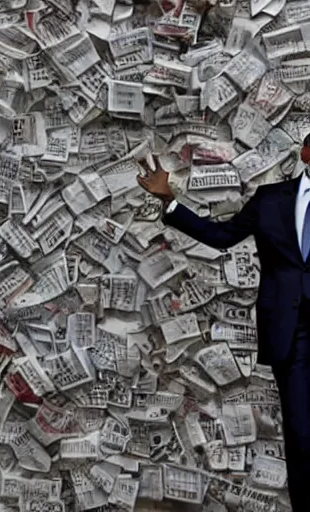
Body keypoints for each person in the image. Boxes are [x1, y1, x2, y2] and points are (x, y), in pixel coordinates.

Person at [137, 137, 310, 510]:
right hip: (292, 333)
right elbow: (221, 237)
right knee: (301, 434)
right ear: (306, 153)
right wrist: (169, 199)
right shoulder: (271, 199)